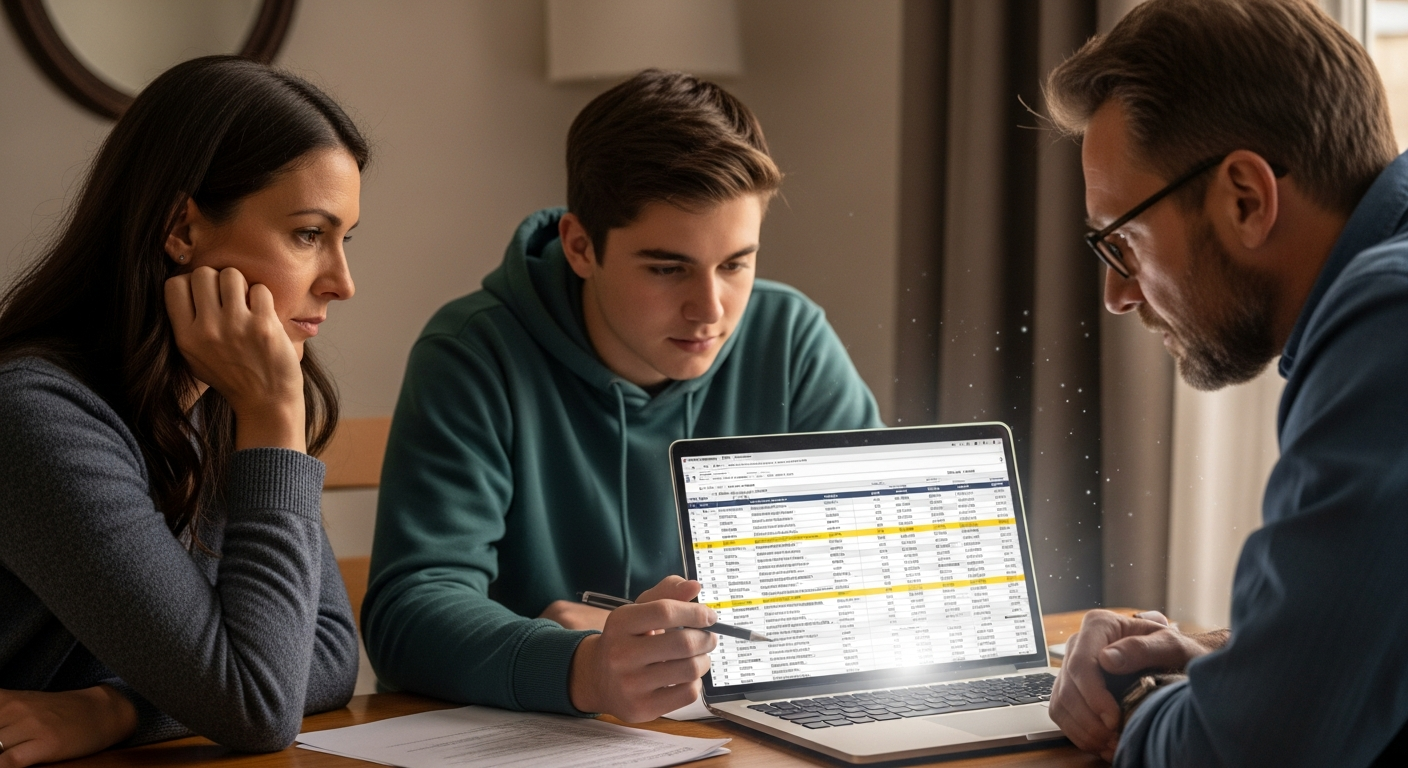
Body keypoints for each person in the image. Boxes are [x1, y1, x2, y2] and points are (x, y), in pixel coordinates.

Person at [363, 69, 882, 722]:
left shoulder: (791, 338)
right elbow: (408, 613)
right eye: (667, 269)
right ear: (581, 247)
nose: (711, 310)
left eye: (736, 263)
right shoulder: (473, 352)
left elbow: (867, 577)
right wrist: (579, 665)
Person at [1041, 0, 1408, 765]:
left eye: (1124, 242)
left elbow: (1255, 748)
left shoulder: (1389, 320)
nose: (1117, 294)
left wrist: (1144, 703)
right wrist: (1221, 661)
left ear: (1245, 197)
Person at [0, 56, 367, 763]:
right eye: (307, 234)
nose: (342, 283)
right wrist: (272, 423)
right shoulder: (34, 418)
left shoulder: (219, 400)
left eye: (345, 239)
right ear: (181, 227)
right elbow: (260, 707)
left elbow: (324, 657)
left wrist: (111, 709)